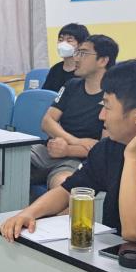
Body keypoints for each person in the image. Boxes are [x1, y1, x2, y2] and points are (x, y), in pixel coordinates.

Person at [1, 60, 136, 253]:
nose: (101, 116)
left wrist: (133, 158)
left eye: (107, 107)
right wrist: (29, 213)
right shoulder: (110, 148)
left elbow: (134, 230)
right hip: (123, 259)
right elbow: (68, 190)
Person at [31, 34, 118, 190]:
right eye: (77, 52)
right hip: (50, 149)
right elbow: (47, 121)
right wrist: (75, 141)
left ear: (103, 61)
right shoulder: (71, 85)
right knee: (2, 168)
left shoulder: (113, 95)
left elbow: (103, 146)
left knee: (64, 186)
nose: (76, 58)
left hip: (79, 159)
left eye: (83, 53)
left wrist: (68, 149)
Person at [42, 23, 90, 92]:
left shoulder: (87, 71)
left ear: (81, 45)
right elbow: (46, 94)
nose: (63, 44)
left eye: (69, 40)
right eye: (60, 40)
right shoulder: (55, 69)